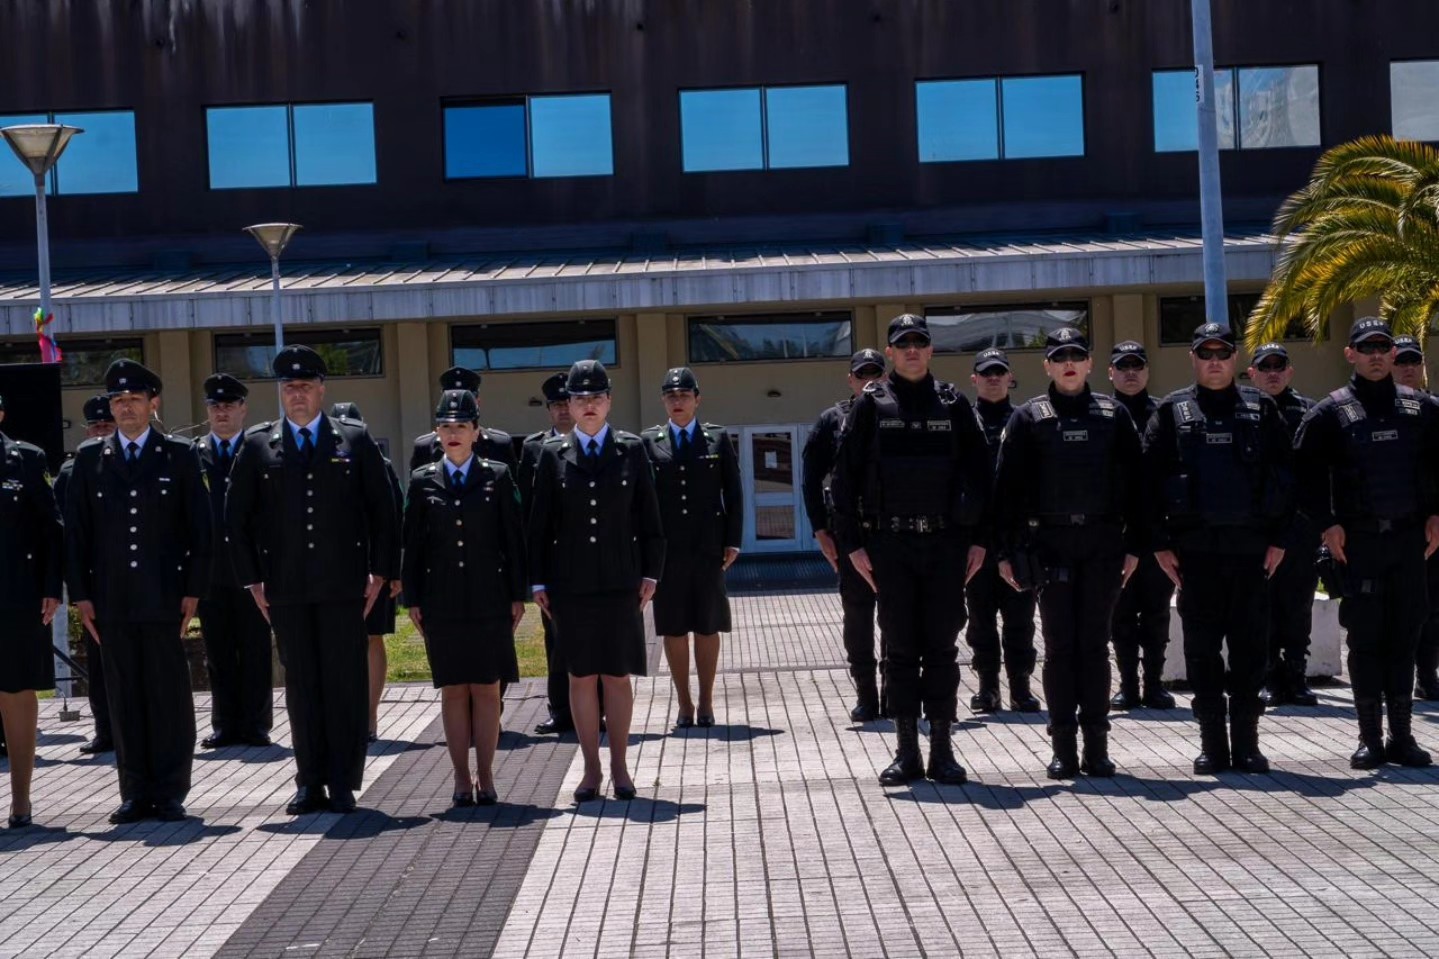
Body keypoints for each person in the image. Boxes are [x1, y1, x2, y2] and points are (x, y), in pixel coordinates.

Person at [225, 346, 399, 815]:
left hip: (344, 586)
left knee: (344, 683)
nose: (296, 394)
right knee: (301, 687)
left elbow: (383, 510)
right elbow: (236, 519)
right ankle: (309, 782)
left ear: (322, 389)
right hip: (285, 588)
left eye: (305, 386)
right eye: (289, 387)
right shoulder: (259, 445)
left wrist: (381, 572)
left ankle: (342, 782)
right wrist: (252, 580)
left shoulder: (353, 440)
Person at [830, 314, 991, 786]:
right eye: (904, 344)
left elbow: (982, 475)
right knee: (899, 648)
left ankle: (942, 751)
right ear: (891, 353)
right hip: (890, 544)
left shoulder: (953, 403)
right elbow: (843, 480)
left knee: (941, 646)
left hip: (945, 544)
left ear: (931, 350)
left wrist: (981, 540)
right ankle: (906, 753)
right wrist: (852, 545)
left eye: (920, 342)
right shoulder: (870, 405)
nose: (913, 350)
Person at [1141, 324, 1294, 776]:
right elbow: (1147, 483)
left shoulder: (1262, 408)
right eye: (1205, 353)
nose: (1214, 361)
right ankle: (1212, 744)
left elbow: (1286, 476)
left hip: (1250, 551)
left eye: (1222, 353)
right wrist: (1159, 544)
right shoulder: (1172, 410)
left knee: (1250, 651)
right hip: (1195, 553)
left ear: (1234, 358)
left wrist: (1280, 538)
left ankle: (1247, 744)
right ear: (1192, 358)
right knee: (1202, 651)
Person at [65, 360, 211, 823]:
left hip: (164, 594)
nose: (125, 407)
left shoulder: (178, 455)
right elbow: (77, 533)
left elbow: (200, 530)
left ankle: (169, 791)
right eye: (118, 400)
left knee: (167, 695)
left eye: (134, 399)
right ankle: (133, 791)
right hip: (112, 598)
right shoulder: (90, 459)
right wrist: (81, 594)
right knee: (123, 696)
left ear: (153, 403)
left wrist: (193, 589)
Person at [993, 329, 1142, 777]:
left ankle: (1097, 746)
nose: (1069, 363)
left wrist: (1136, 546)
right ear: (1048, 366)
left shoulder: (1114, 415)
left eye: (1077, 355)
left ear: (1091, 363)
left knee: (1095, 646)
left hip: (1102, 544)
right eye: (1060, 357)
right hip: (1050, 544)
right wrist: (1005, 551)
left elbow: (1139, 486)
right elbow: (1006, 491)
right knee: (1059, 647)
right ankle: (1062, 747)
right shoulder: (1027, 418)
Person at [1294, 318, 1439, 768]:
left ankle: (1402, 737)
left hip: (1409, 542)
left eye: (1382, 348)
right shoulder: (1330, 413)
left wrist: (1436, 513)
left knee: (1405, 637)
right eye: (1366, 348)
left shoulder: (1421, 408)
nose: (1376, 355)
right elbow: (1303, 476)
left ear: (1393, 354)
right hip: (1358, 545)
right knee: (1366, 640)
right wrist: (1327, 524)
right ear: (1350, 354)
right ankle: (1370, 738)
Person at [528, 360, 664, 802]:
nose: (588, 405)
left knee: (617, 676)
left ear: (609, 402)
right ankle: (590, 769)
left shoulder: (631, 449)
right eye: (580, 398)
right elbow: (539, 524)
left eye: (597, 397)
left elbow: (649, 517)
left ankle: (620, 767)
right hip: (571, 584)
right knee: (581, 677)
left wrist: (651, 572)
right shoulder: (552, 454)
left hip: (621, 580)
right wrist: (537, 581)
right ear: (568, 405)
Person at [403, 390, 526, 806]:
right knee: (454, 689)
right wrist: (413, 597)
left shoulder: (498, 476)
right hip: (442, 600)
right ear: (436, 433)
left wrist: (517, 594)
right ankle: (459, 777)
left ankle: (486, 775)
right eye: (445, 426)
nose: (452, 433)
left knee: (488, 689)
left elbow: (512, 540)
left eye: (461, 426)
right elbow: (412, 545)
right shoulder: (423, 480)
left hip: (489, 597)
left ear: (476, 432)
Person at [641, 368, 742, 728]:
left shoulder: (716, 438)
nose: (678, 401)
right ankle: (684, 703)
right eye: (671, 396)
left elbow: (733, 492)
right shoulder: (649, 441)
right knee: (673, 627)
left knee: (707, 625)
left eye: (684, 395)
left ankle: (706, 701)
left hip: (707, 548)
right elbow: (642, 500)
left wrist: (733, 540)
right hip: (667, 551)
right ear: (663, 401)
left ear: (697, 399)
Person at [801, 349, 887, 721]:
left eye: (876, 374)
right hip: (850, 532)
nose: (869, 381)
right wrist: (820, 529)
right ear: (850, 379)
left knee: (897, 616)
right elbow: (810, 478)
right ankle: (867, 694)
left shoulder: (899, 414)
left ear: (886, 377)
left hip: (893, 531)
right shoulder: (832, 420)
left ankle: (896, 692)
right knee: (857, 615)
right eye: (862, 375)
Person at [195, 374, 274, 749]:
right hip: (211, 570)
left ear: (243, 409)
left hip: (253, 568)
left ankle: (256, 724)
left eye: (229, 406)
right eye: (215, 406)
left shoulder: (259, 450)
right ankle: (224, 724)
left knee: (256, 647)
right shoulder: (194, 453)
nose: (222, 412)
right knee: (218, 650)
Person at [0, 394, 64, 828]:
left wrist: (50, 587)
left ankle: (20, 800)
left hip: (16, 595)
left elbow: (50, 528)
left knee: (17, 692)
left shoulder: (25, 459)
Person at [964, 348, 1040, 714]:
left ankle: (1021, 688)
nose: (993, 378)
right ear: (974, 379)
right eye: (986, 373)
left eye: (999, 372)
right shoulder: (964, 421)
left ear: (1010, 377)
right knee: (980, 621)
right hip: (976, 541)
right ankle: (988, 688)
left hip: (1018, 539)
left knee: (1020, 620)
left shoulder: (1025, 420)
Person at [1246, 343, 1320, 708]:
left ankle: (1296, 675)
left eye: (1279, 366)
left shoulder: (1309, 411)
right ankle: (1269, 675)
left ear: (1290, 371)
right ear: (1252, 373)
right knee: (1262, 604)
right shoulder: (1243, 410)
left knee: (1298, 603)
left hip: (1300, 526)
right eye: (1266, 367)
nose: (1273, 373)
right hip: (1258, 525)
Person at [1106, 341, 1176, 710]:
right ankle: (1128, 685)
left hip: (1157, 533)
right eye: (1123, 366)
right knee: (1120, 612)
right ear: (1110, 373)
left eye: (1137, 366)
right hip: (1116, 533)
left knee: (1156, 611)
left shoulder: (1164, 414)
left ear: (1147, 372)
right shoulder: (1101, 414)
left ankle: (1154, 684)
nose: (1130, 373)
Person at [330, 402, 404, 743]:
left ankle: (370, 716)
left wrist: (392, 570)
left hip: (374, 568)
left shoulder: (381, 464)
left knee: (372, 637)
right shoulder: (324, 463)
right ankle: (345, 716)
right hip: (335, 568)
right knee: (337, 641)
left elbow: (394, 518)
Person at [54, 394, 119, 754]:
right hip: (94, 581)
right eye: (95, 425)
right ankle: (105, 730)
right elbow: (66, 531)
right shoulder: (71, 471)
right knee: (98, 660)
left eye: (107, 424)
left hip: (133, 578)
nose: (101, 430)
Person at [522, 372, 581, 735]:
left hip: (587, 558)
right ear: (548, 410)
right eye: (555, 405)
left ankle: (595, 710)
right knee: (555, 640)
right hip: (552, 560)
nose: (562, 410)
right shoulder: (534, 448)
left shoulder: (592, 443)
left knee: (590, 640)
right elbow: (529, 513)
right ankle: (560, 710)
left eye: (565, 403)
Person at [1395, 336, 1439, 700]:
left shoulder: (1433, 409)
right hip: (1389, 526)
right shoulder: (1367, 409)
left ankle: (1427, 675)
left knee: (1432, 606)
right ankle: (1393, 680)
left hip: (1431, 523)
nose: (1408, 368)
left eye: (1414, 361)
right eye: (1402, 361)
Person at [410, 366, 515, 472]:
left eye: (467, 398)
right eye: (451, 398)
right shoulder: (425, 446)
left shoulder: (499, 444)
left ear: (478, 402)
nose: (459, 403)